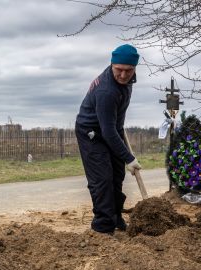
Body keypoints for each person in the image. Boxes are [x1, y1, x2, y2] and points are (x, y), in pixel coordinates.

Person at [75, 44, 143, 234]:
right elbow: (107, 131)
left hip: (110, 129)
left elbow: (114, 122)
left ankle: (115, 216)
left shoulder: (127, 82)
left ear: (135, 68)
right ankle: (103, 227)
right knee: (102, 179)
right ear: (111, 64)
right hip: (91, 133)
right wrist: (129, 157)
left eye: (128, 71)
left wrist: (122, 148)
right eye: (118, 70)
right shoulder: (107, 90)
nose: (123, 75)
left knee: (116, 175)